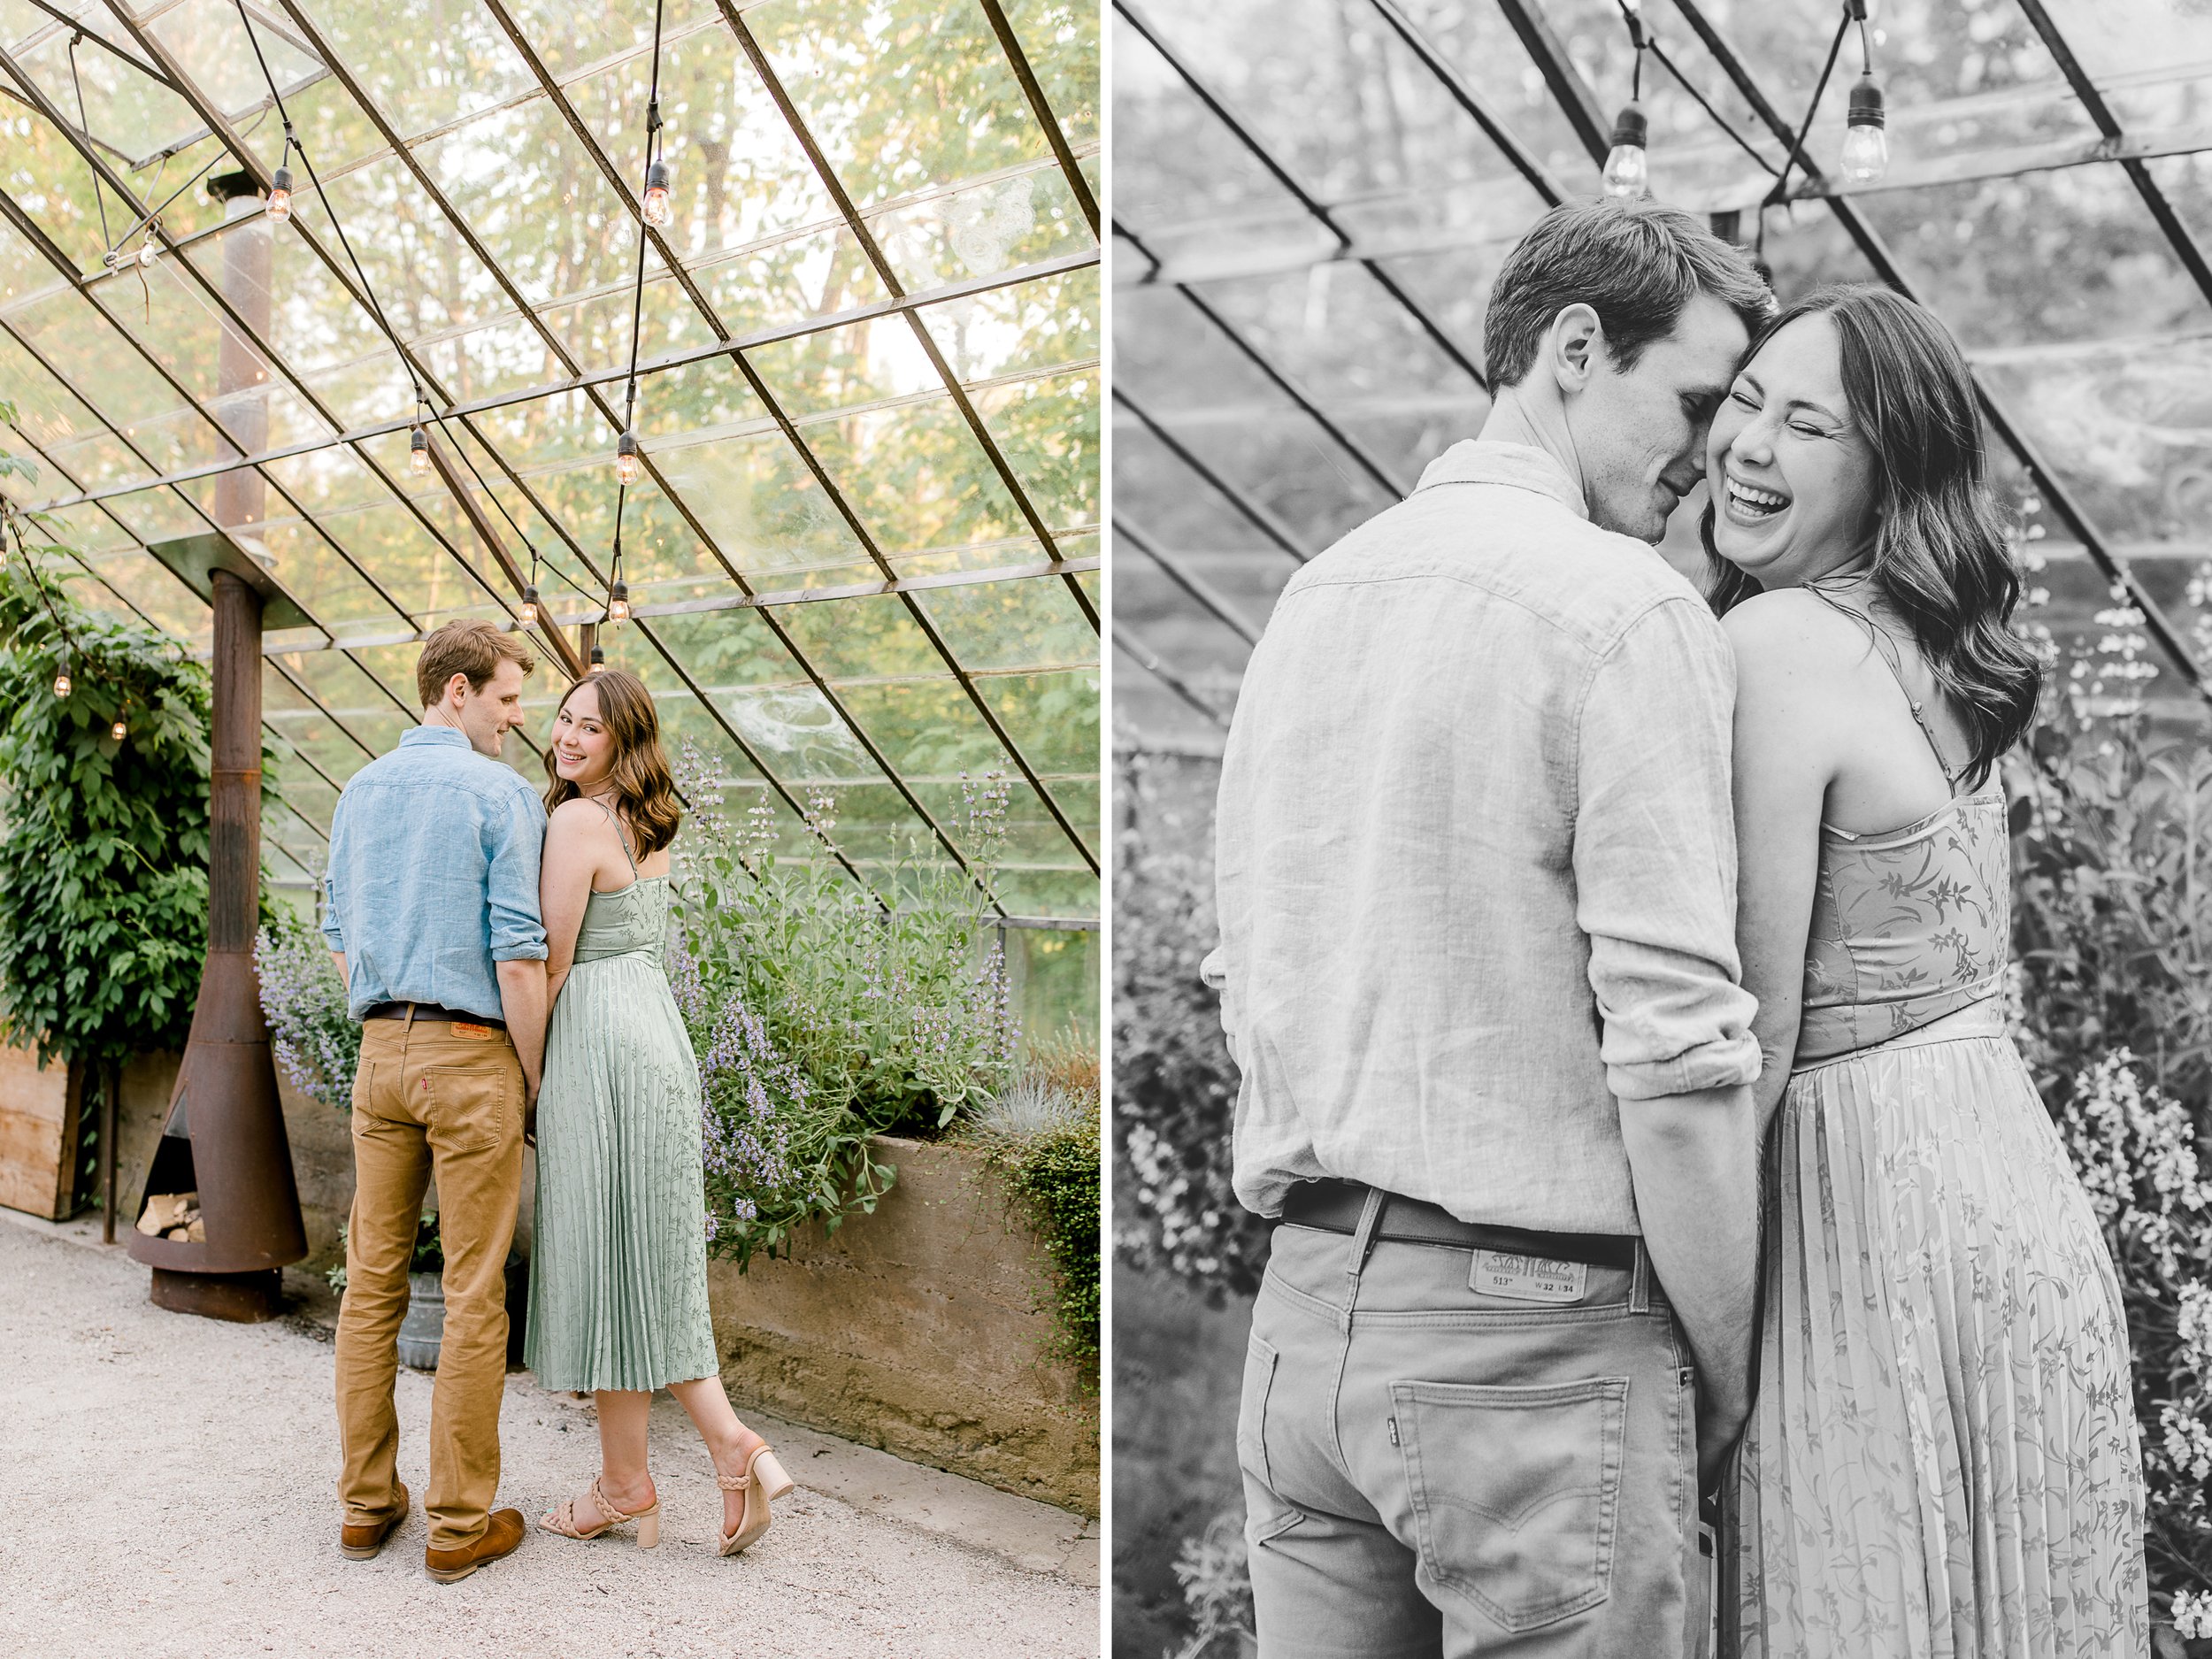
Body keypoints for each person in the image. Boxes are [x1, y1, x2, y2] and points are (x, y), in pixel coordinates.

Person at [1204, 198, 1774, 1657]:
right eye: (1700, 400)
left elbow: (1245, 962)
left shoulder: (1313, 598)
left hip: (1309, 1322)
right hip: (1539, 1338)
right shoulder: (1631, 613)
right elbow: (1678, 1056)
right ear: (1575, 348)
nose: (1714, 453)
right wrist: (1725, 1367)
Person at [1708, 285, 2147, 1656]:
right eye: (1740, 401)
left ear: (1887, 468)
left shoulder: (1774, 644)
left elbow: (1755, 1031)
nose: (1746, 446)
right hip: (2002, 1182)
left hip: (1863, 1211)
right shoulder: (1939, 649)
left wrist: (1702, 1329)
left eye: (1806, 423)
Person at [526, 669, 794, 1557]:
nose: (567, 738)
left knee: (603, 1258)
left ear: (621, 741)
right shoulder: (649, 822)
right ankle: (632, 1480)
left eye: (588, 729)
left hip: (597, 1042)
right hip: (656, 1035)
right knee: (642, 1261)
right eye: (563, 720)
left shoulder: (573, 820)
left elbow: (553, 961)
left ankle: (718, 1448)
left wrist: (527, 1072)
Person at [324, 618, 550, 1584]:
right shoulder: (501, 793)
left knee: (370, 1284)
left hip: (380, 1052)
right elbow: (518, 951)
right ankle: (459, 1525)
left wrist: (385, 1016)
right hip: (469, 1055)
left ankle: (365, 1506)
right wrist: (533, 1078)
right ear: (454, 691)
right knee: (471, 1292)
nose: (516, 719)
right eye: (505, 698)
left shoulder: (360, 789)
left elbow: (338, 928)